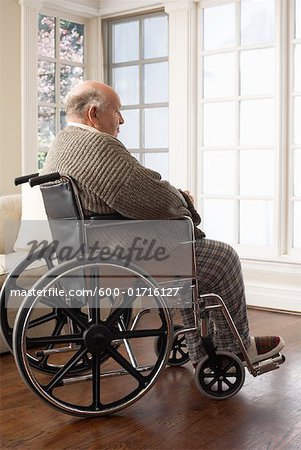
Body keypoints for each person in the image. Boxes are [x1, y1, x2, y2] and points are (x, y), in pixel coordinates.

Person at [42, 80, 285, 367]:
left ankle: (200, 349)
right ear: (93, 114)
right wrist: (183, 198)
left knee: (188, 254)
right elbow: (151, 197)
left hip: (90, 249)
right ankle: (235, 346)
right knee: (222, 258)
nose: (122, 119)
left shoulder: (61, 143)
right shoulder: (96, 145)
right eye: (117, 111)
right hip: (117, 256)